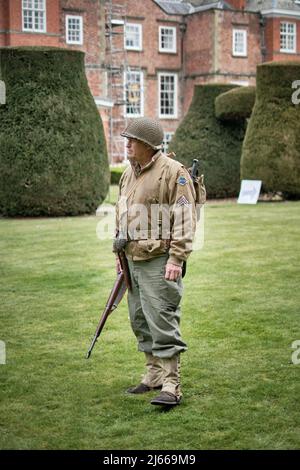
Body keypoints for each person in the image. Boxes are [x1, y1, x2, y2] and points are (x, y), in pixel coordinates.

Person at [114, 117, 196, 406]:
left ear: (148, 144)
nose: (127, 144)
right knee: (140, 319)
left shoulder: (175, 173)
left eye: (132, 140)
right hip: (132, 259)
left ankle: (172, 384)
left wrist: (177, 257)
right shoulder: (128, 174)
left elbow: (185, 218)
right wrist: (119, 254)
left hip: (160, 260)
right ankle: (153, 375)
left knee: (162, 317)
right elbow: (121, 213)